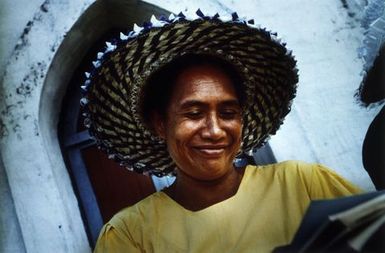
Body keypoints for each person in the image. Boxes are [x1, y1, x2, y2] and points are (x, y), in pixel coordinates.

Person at [81, 11, 362, 253]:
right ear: (160, 124)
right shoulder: (131, 235)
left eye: (228, 113)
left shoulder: (304, 185)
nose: (215, 131)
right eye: (193, 114)